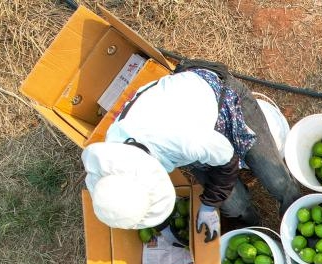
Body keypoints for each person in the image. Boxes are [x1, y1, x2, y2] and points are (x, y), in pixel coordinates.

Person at [81, 60, 301, 239]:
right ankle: (255, 230)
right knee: (235, 207)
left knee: (277, 181)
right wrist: (164, 228)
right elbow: (133, 197)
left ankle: (296, 215)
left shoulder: (183, 138)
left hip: (225, 102)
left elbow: (227, 160)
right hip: (194, 127)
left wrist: (209, 205)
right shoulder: (115, 153)